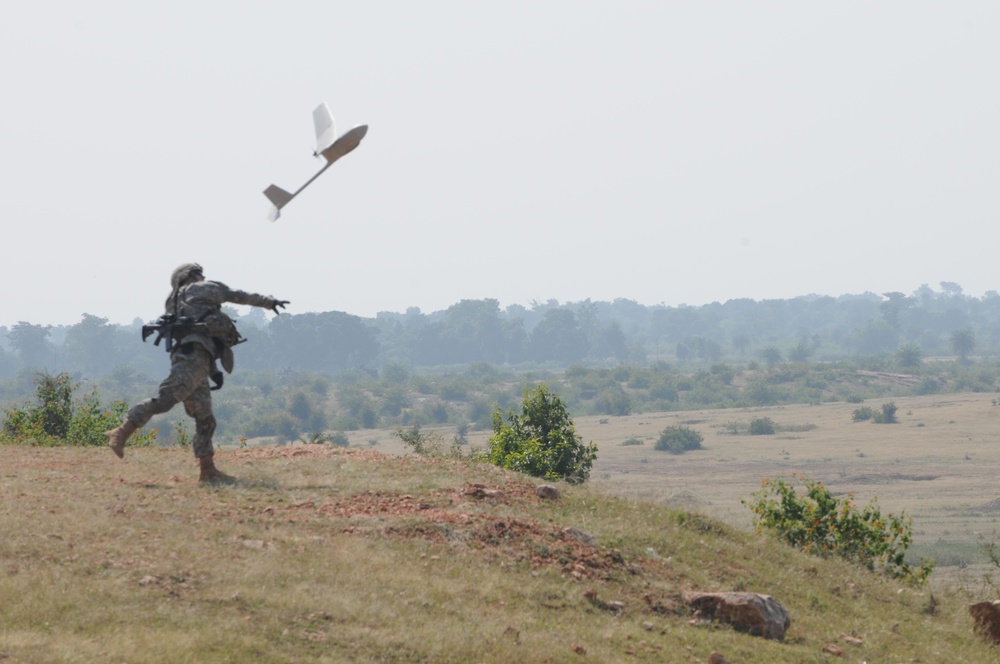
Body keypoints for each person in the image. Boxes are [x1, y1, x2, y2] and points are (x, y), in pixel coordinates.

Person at [105, 263, 289, 483]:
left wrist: (211, 366)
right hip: (194, 357)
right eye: (199, 273)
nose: (203, 276)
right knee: (165, 399)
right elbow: (237, 295)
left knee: (205, 418)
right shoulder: (203, 288)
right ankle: (122, 432)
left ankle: (208, 471)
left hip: (191, 356)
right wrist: (268, 302)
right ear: (190, 276)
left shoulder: (172, 300)